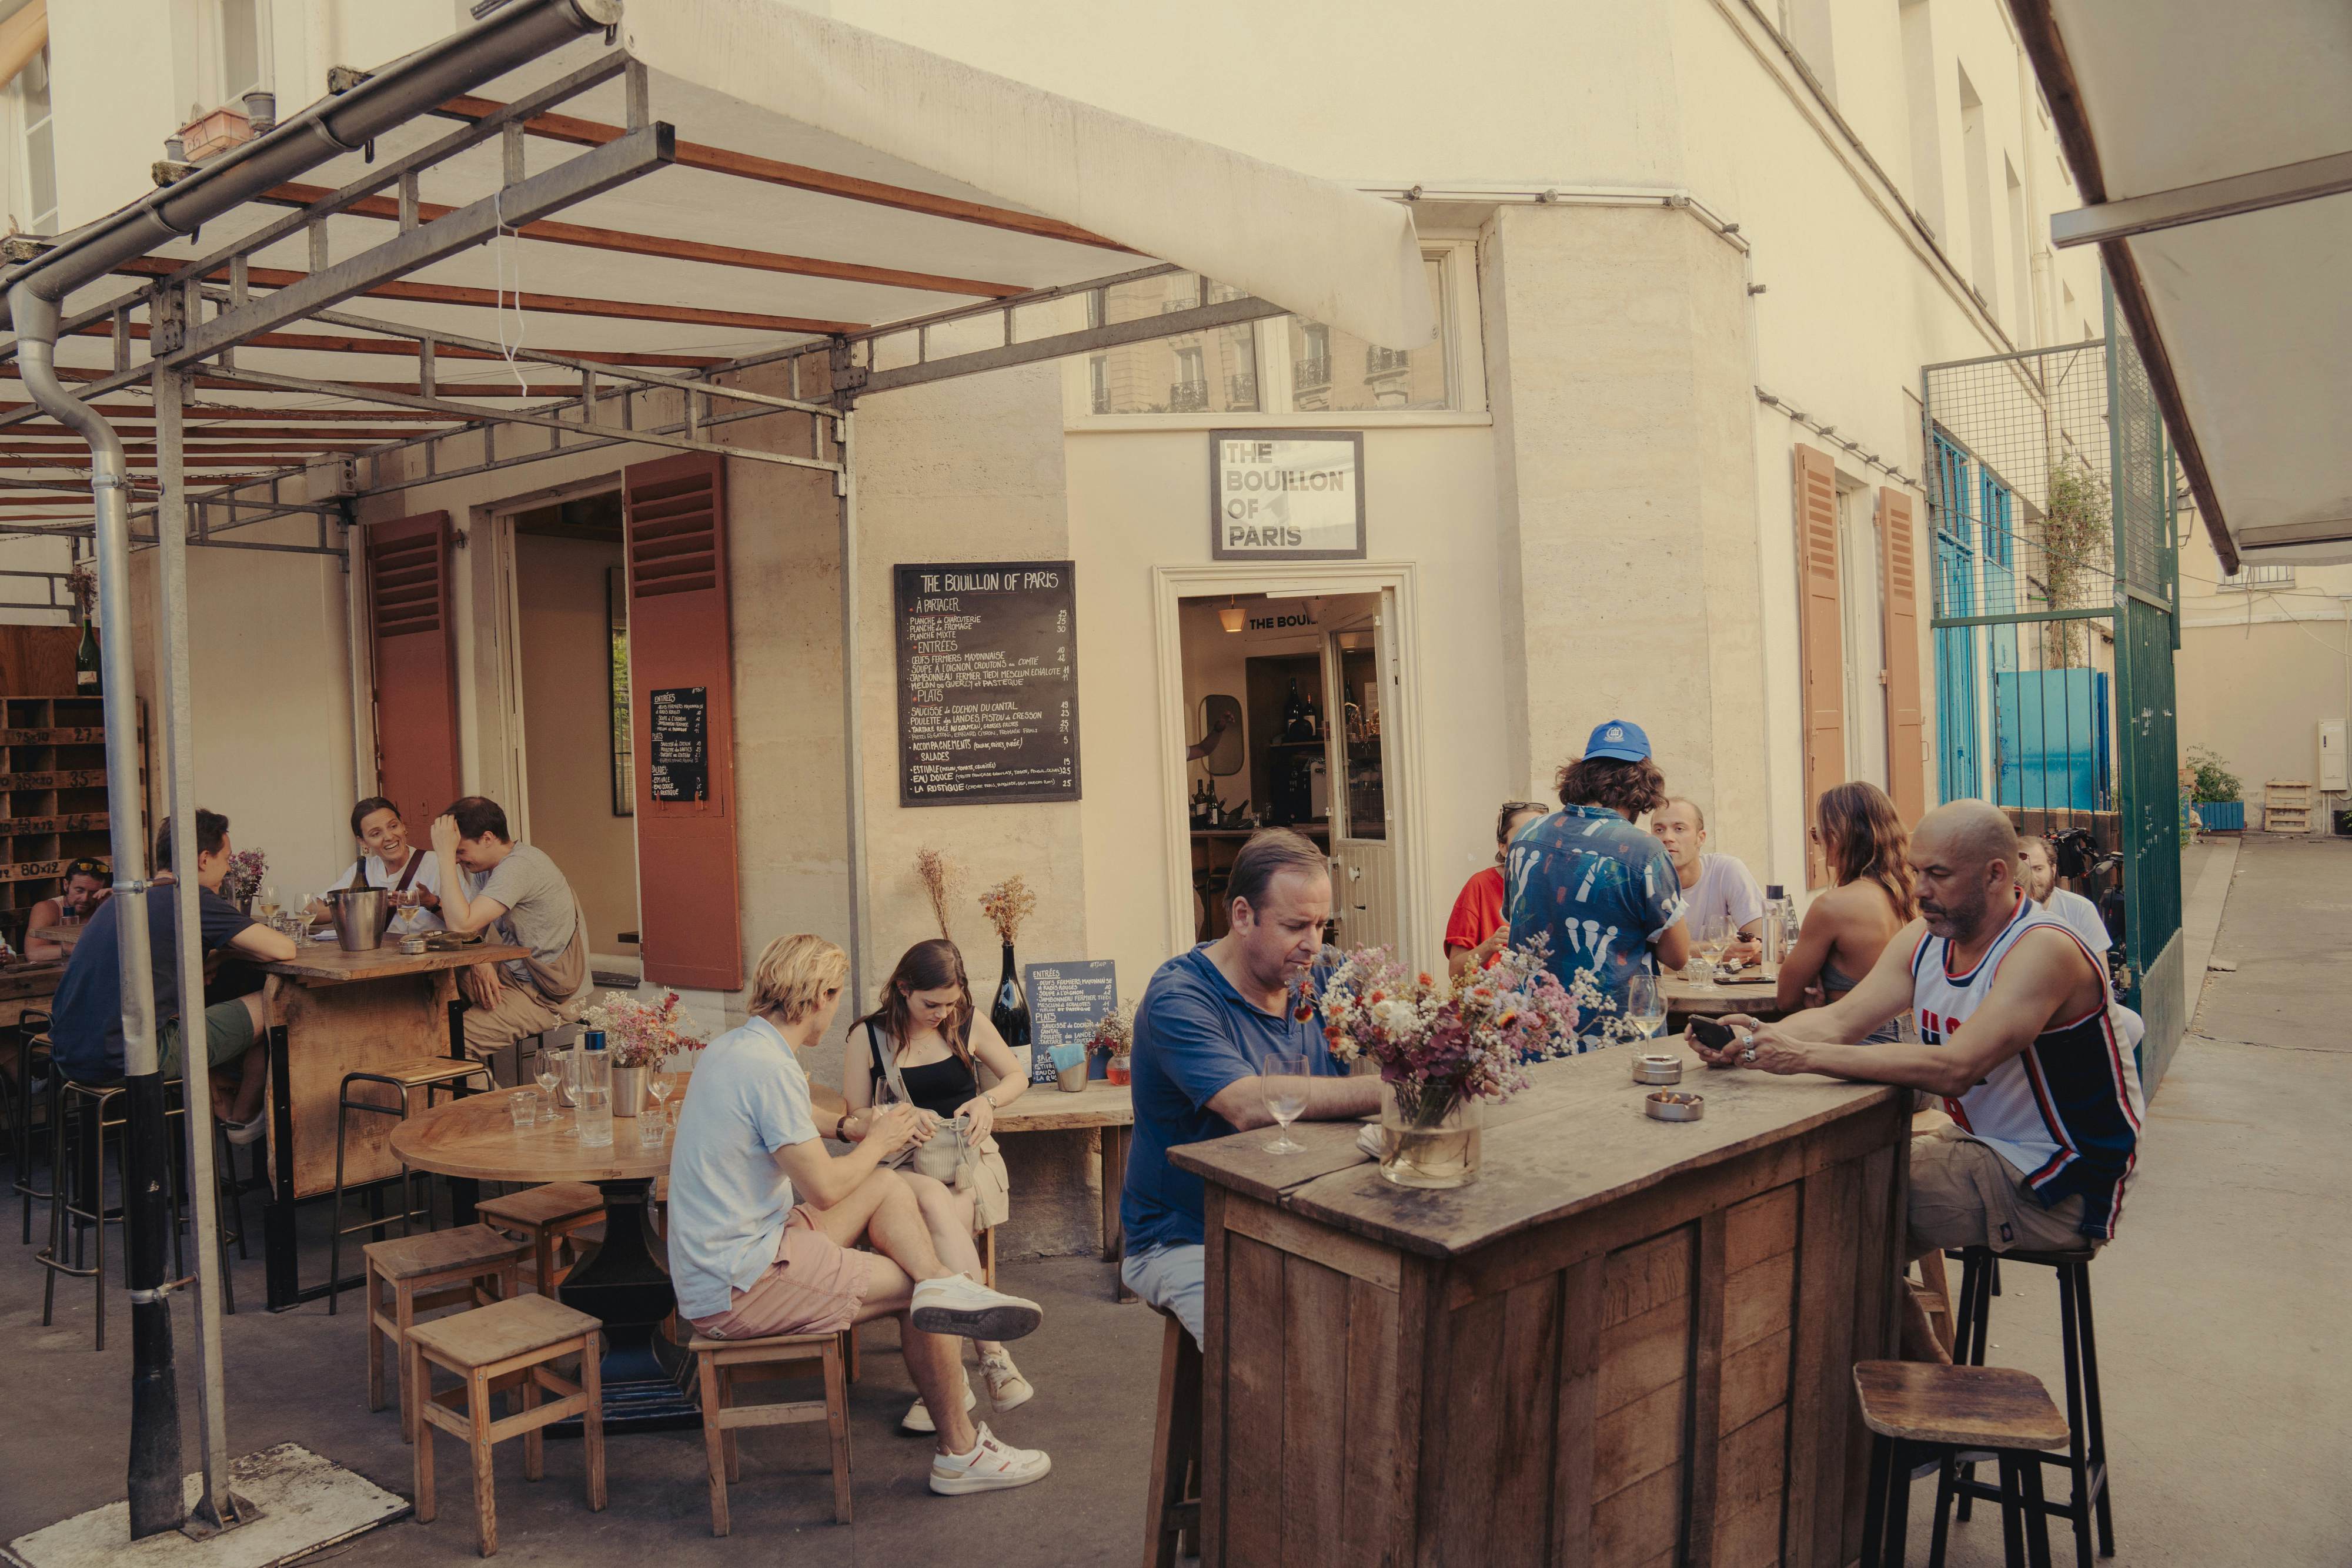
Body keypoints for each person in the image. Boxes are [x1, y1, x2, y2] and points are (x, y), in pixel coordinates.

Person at [1690, 801, 2143, 1360]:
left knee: (1835, 1211)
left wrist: (1799, 1055)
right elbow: (1839, 1020)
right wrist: (1754, 1036)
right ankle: (1915, 1397)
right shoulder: (1926, 940)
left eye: (1938, 875)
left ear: (1995, 874)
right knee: (1829, 1201)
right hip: (1987, 1149)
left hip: (2060, 1179)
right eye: (1915, 871)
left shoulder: (2043, 948)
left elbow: (1956, 1068)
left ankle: (1924, 1407)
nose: (1920, 889)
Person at [666, 933, 1053, 1495]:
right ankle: (962, 1451)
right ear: (819, 995)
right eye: (836, 993)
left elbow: (794, 1120)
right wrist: (882, 1136)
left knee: (888, 1185)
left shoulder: (737, 1048)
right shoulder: (768, 1067)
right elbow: (823, 1188)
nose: (838, 1005)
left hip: (737, 1254)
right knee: (923, 1293)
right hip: (741, 1282)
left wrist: (853, 1127)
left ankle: (949, 1285)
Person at [1121, 829, 1381, 1343]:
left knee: (1380, 1323)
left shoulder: (1317, 976)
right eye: (1295, 925)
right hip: (1186, 1236)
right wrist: (1386, 1091)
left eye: (1322, 923)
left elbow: (1398, 1040)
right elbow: (1246, 1102)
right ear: (1243, 916)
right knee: (1265, 1355)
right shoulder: (1180, 996)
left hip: (1302, 1213)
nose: (1314, 943)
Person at [838, 938, 1036, 1429]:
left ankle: (947, 1385)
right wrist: (899, 1115)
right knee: (934, 1207)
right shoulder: (869, 1036)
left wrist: (988, 1103)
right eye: (931, 1003)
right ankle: (987, 1358)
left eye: (950, 1002)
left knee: (948, 1211)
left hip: (969, 1162)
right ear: (904, 988)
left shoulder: (965, 1021)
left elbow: (1016, 1075)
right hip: (907, 1163)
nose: (941, 1013)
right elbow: (854, 1116)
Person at [49, 811, 298, 1142]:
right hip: (124, 1057)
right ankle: (244, 1119)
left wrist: (219, 955)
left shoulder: (125, 898)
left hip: (69, 1053)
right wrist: (226, 953)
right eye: (225, 859)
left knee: (194, 1009)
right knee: (278, 997)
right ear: (203, 859)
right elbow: (283, 950)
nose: (227, 869)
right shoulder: (189, 898)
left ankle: (221, 1092)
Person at [1505, 720, 1691, 1031]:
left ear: (1581, 775)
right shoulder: (1644, 851)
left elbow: (1518, 917)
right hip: (1610, 1032)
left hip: (1531, 1030)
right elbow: (1678, 956)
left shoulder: (1527, 835)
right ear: (1644, 784)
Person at [430, 796, 591, 1069]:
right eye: (454, 854)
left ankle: (487, 1112)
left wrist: (444, 858)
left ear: (488, 838)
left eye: (460, 851)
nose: (458, 860)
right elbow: (472, 934)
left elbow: (462, 926)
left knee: (452, 1044)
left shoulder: (520, 866)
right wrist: (481, 961)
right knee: (425, 998)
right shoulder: (487, 867)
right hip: (514, 976)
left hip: (549, 994)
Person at [1774, 782, 1916, 1041]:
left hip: (1859, 1042)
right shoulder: (1911, 896)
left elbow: (1786, 998)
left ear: (1837, 838)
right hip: (1912, 1036)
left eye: (1817, 835)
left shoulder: (1833, 906)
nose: (1817, 844)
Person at [1649, 798, 1764, 964]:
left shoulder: (1725, 870)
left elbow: (1764, 947)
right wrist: (1718, 949)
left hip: (1716, 986)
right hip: (1664, 986)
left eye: (1679, 829)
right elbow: (1643, 952)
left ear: (1701, 838)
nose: (1667, 837)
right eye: (1659, 830)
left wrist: (1745, 949)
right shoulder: (1643, 880)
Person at [308, 796, 444, 937]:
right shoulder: (363, 870)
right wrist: (365, 904)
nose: (389, 837)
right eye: (376, 834)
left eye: (393, 826)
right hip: (379, 956)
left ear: (403, 825)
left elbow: (466, 923)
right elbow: (310, 912)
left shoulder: (438, 864)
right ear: (363, 842)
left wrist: (431, 902)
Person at [1444, 800, 1549, 976]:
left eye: (1539, 837)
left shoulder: (1556, 889)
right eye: (1523, 836)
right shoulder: (1480, 885)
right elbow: (1456, 971)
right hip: (1491, 998)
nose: (1533, 845)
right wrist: (1490, 946)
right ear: (1503, 847)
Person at [2017, 835, 2114, 962]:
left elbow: (2101, 976)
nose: (2031, 878)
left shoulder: (2081, 910)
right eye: (2022, 871)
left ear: (2053, 869)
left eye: (2038, 869)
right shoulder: (1997, 914)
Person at [24, 857, 112, 961]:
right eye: (79, 891)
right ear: (66, 885)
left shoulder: (104, 907)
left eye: (93, 892)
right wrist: (80, 949)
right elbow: (34, 953)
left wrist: (115, 904)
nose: (85, 899)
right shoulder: (48, 908)